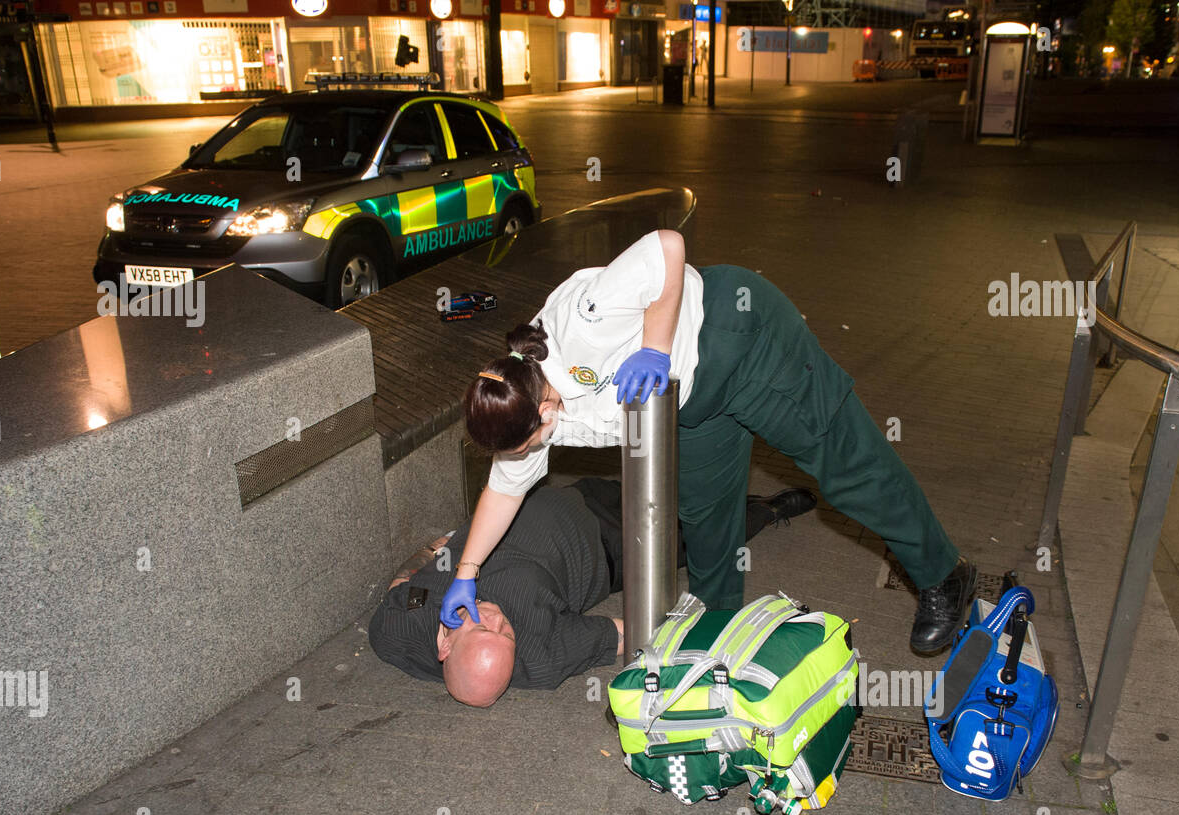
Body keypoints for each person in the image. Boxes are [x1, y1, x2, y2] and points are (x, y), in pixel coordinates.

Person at [445, 230, 976, 656]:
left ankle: (942, 572)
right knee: (705, 517)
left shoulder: (585, 320)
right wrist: (465, 574)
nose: (526, 456)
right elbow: (504, 490)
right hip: (689, 402)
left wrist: (654, 349)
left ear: (544, 412)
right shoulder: (520, 399)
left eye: (527, 444)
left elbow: (666, 247)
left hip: (740, 340)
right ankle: (717, 641)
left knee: (843, 464)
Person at [369, 478, 815, 706]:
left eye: (483, 627)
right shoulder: (541, 654)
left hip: (567, 494)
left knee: (669, 480)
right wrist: (741, 642)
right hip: (615, 546)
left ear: (445, 642)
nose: (498, 620)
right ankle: (767, 511)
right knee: (706, 533)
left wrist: (436, 550)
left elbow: (401, 582)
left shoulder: (394, 630)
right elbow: (635, 633)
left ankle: (735, 490)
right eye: (505, 635)